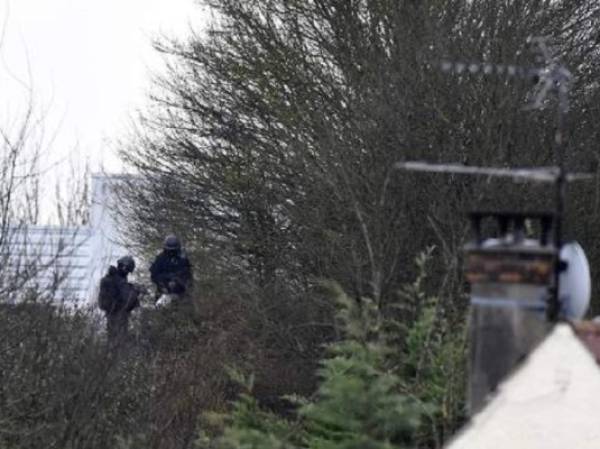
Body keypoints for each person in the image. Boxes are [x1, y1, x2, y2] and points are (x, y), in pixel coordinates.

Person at [98, 255, 140, 343]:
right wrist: (135, 291)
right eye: (127, 270)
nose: (127, 273)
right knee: (118, 341)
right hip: (117, 314)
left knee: (113, 339)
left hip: (113, 314)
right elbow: (127, 300)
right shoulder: (116, 281)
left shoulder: (112, 279)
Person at [149, 235, 192, 301]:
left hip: (180, 292)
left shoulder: (182, 259)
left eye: (173, 251)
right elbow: (154, 275)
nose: (171, 253)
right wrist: (163, 283)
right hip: (163, 291)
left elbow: (188, 275)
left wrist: (178, 282)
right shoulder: (160, 258)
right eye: (170, 251)